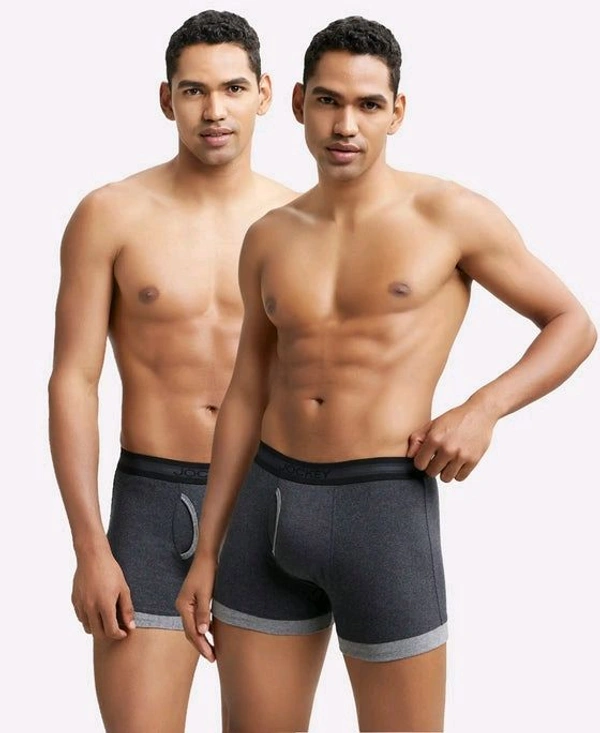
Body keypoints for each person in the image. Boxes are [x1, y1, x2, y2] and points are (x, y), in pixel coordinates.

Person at [176, 15, 597, 733]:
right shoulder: (269, 236)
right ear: (300, 102)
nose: (346, 125)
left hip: (382, 509)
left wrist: (483, 407)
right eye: (329, 101)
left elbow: (572, 323)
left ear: (396, 112)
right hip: (266, 505)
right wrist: (206, 551)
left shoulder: (449, 215)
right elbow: (245, 392)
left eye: (368, 105)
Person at [48, 10, 295, 732]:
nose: (214, 110)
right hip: (153, 507)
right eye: (194, 90)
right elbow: (73, 381)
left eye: (233, 88)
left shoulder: (302, 220)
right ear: (167, 99)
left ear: (264, 94)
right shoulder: (110, 214)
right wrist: (90, 547)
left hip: (269, 501)